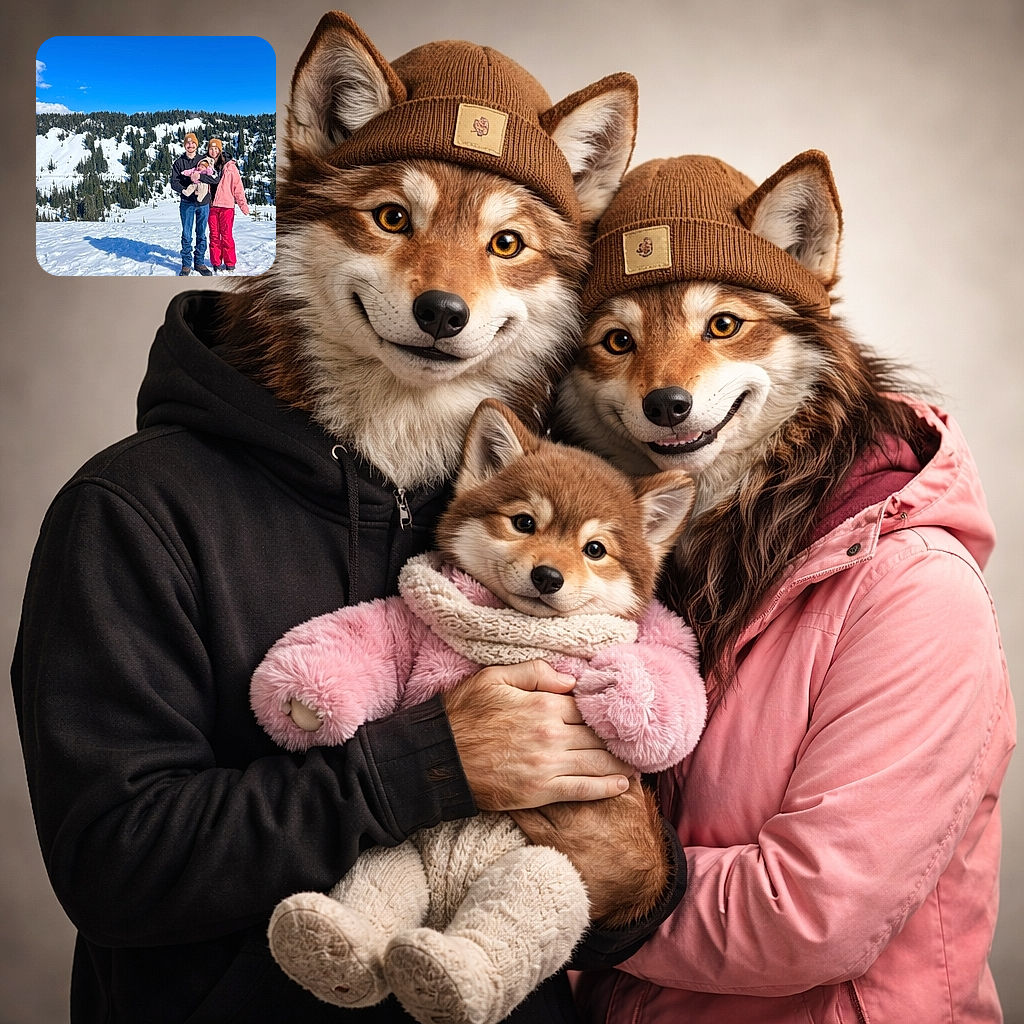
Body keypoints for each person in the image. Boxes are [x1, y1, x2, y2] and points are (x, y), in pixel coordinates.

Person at [10, 19, 679, 1024]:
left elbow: (602, 898)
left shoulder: (538, 517)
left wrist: (638, 875)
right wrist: (431, 765)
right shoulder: (134, 510)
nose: (447, 291)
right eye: (390, 217)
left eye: (507, 245)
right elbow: (115, 864)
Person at [557, 153, 1016, 1023]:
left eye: (724, 325)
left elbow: (811, 916)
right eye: (618, 342)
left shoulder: (912, 589)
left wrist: (539, 893)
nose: (666, 384)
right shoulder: (606, 574)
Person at [170, 132, 218, 277]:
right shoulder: (179, 163)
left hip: (203, 203)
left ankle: (199, 263)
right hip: (187, 203)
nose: (190, 145)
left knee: (201, 234)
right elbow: (174, 183)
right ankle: (186, 264)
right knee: (186, 234)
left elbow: (215, 179)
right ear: (184, 145)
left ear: (196, 145)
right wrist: (185, 191)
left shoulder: (204, 160)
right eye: (188, 143)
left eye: (193, 143)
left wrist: (200, 177)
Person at [206, 137, 251, 274]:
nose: (213, 151)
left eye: (216, 148)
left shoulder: (230, 167)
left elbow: (238, 187)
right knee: (214, 236)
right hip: (211, 206)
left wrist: (243, 205)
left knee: (226, 235)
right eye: (211, 148)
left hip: (226, 207)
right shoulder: (205, 164)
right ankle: (216, 262)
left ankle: (230, 263)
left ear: (220, 150)